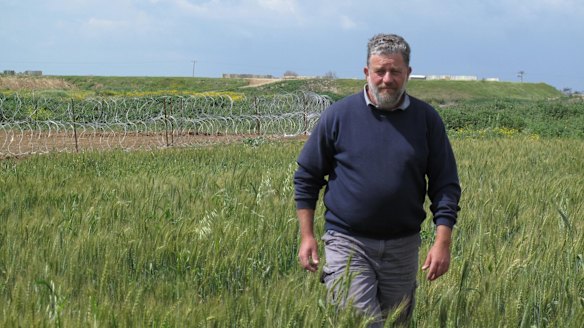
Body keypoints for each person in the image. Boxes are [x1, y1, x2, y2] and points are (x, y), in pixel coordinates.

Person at [293, 33, 461, 326]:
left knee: (396, 322)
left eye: (395, 71)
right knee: (362, 323)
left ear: (407, 73)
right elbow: (307, 176)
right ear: (366, 72)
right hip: (348, 242)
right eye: (380, 70)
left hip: (403, 247)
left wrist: (442, 241)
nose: (387, 79)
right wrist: (307, 236)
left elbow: (445, 184)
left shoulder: (426, 120)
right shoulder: (338, 116)